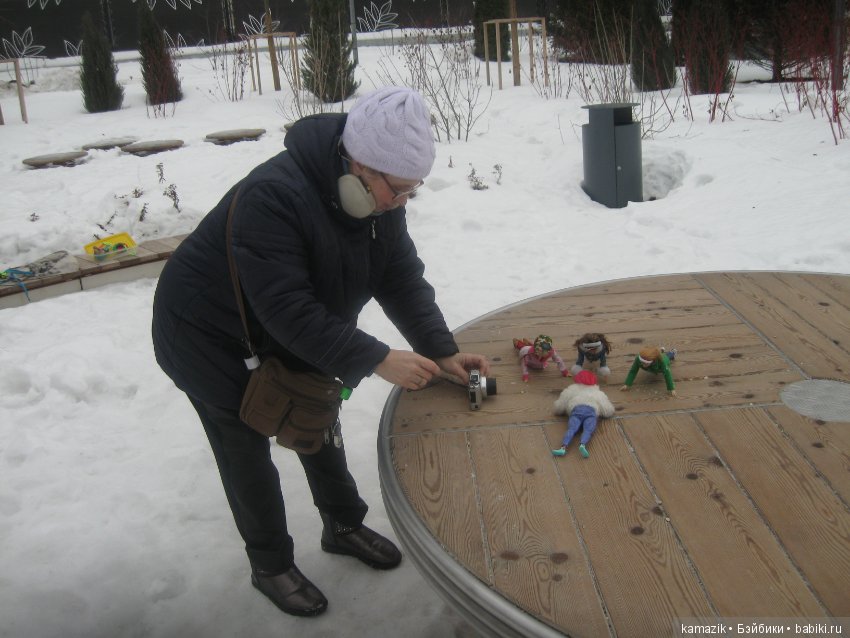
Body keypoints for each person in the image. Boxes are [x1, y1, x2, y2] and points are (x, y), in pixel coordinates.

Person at [151, 86, 489, 617]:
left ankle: (343, 524)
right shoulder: (274, 197)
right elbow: (286, 310)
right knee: (245, 446)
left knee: (317, 413)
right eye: (396, 190)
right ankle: (270, 564)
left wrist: (439, 349)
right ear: (359, 164)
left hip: (294, 328)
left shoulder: (378, 198)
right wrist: (378, 358)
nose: (400, 202)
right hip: (208, 335)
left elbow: (399, 276)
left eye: (411, 192)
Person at [551, 370, 615, 458]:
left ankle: (563, 447)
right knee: (588, 430)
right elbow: (607, 410)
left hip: (576, 411)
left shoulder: (571, 390)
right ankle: (582, 445)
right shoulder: (597, 393)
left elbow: (559, 406)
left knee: (572, 429)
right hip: (591, 412)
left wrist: (558, 410)